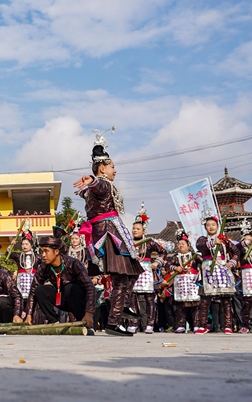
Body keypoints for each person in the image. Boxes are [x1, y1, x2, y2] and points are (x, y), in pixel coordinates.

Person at [73, 132, 143, 336]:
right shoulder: (102, 185)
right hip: (110, 235)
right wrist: (93, 179)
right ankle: (114, 320)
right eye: (113, 167)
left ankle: (123, 307)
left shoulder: (97, 188)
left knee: (131, 273)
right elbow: (99, 185)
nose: (116, 170)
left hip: (109, 232)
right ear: (103, 168)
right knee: (123, 277)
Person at [26, 233, 96, 331]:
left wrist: (89, 313)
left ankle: (85, 324)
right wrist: (29, 314)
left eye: (46, 251)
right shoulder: (43, 267)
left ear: (56, 251)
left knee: (70, 288)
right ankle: (53, 322)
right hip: (63, 299)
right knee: (39, 290)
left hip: (79, 300)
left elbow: (90, 287)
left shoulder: (73, 263)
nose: (43, 255)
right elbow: (33, 289)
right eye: (42, 252)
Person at [194, 210, 238, 334]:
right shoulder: (202, 239)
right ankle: (202, 325)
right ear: (205, 227)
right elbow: (199, 246)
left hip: (222, 269)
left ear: (218, 226)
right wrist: (213, 242)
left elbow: (236, 252)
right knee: (205, 299)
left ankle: (228, 325)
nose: (211, 227)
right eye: (208, 225)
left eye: (213, 224)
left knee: (225, 299)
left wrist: (232, 262)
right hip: (208, 269)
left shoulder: (225, 240)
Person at [130, 203, 166, 334]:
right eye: (134, 228)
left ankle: (150, 324)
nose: (135, 230)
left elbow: (163, 252)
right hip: (133, 270)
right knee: (132, 298)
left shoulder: (149, 242)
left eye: (138, 229)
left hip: (146, 271)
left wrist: (157, 262)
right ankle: (133, 323)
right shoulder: (128, 242)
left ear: (144, 230)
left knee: (149, 299)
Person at [165, 229, 199, 334]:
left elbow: (202, 263)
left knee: (195, 305)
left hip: (192, 283)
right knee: (180, 306)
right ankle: (180, 325)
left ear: (188, 245)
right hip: (180, 284)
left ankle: (197, 325)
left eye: (183, 244)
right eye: (179, 244)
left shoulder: (195, 256)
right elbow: (167, 265)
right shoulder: (175, 257)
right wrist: (175, 268)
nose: (180, 246)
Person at [9, 234, 39, 314]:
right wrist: (11, 245)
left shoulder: (37, 256)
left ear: (31, 245)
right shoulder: (18, 256)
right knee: (20, 299)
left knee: (32, 299)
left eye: (26, 244)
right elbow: (8, 255)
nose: (24, 246)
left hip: (32, 279)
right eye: (22, 244)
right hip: (21, 280)